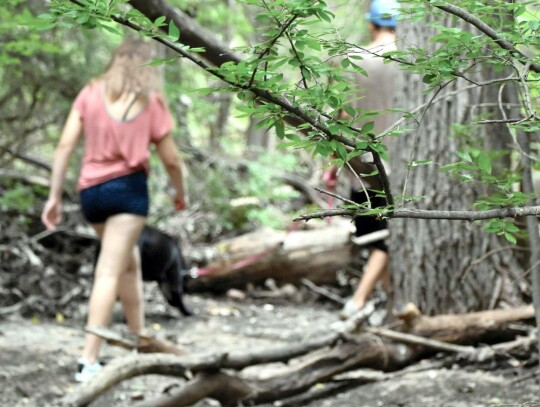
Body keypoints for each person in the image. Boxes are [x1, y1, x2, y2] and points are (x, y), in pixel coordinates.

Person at [41, 39, 186, 382]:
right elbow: (172, 160)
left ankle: (138, 338)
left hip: (92, 193)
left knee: (129, 261)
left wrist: (54, 196)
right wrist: (181, 194)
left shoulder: (90, 93)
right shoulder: (151, 102)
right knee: (109, 269)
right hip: (128, 193)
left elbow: (64, 145)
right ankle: (88, 360)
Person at [325, 0, 399, 319]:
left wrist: (332, 161)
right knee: (387, 241)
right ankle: (373, 301)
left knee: (375, 238)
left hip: (360, 164)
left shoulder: (352, 59)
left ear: (370, 24)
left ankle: (364, 301)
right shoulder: (409, 60)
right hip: (401, 165)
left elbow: (341, 116)